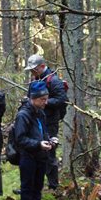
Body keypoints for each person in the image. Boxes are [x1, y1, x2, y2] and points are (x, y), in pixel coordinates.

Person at [24, 54, 68, 190]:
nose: (32, 72)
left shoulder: (53, 80)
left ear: (42, 66)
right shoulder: (34, 80)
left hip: (50, 122)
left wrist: (44, 102)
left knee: (49, 152)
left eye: (34, 69)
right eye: (31, 70)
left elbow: (62, 99)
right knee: (34, 151)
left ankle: (53, 186)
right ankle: (34, 183)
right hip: (35, 120)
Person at [14, 80, 54, 200]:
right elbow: (20, 139)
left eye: (46, 99)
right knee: (27, 186)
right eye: (43, 99)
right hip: (28, 156)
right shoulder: (23, 115)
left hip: (41, 156)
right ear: (33, 99)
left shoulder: (41, 113)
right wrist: (38, 144)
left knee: (38, 185)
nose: (45, 102)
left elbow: (44, 132)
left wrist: (50, 140)